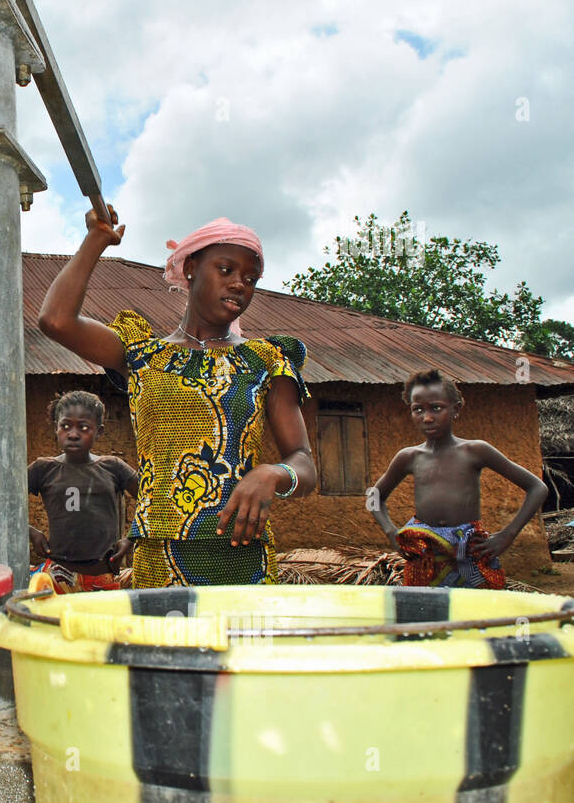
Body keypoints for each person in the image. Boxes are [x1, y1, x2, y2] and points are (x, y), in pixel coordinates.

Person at [38, 209, 317, 587]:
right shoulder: (142, 355)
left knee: (239, 646)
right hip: (158, 556)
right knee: (160, 645)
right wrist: (95, 241)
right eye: (226, 270)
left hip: (241, 557)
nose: (239, 284)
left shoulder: (265, 361)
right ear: (190, 269)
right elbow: (55, 321)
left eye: (250, 279)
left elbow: (304, 464)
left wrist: (274, 472)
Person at [370, 369, 547, 588]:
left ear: (456, 409)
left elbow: (537, 488)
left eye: (436, 408)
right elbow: (374, 496)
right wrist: (391, 532)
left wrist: (507, 535)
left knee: (478, 616)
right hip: (424, 556)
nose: (427, 417)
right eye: (418, 410)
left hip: (471, 552)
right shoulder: (409, 457)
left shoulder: (475, 451)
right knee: (425, 617)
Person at [28, 391, 139, 593]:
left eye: (84, 427)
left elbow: (150, 499)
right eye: (65, 426)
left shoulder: (113, 467)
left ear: (99, 432)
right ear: (56, 427)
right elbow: (4, 504)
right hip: (59, 578)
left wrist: (131, 539)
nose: (73, 434)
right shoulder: (43, 469)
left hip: (104, 577)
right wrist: (31, 532)